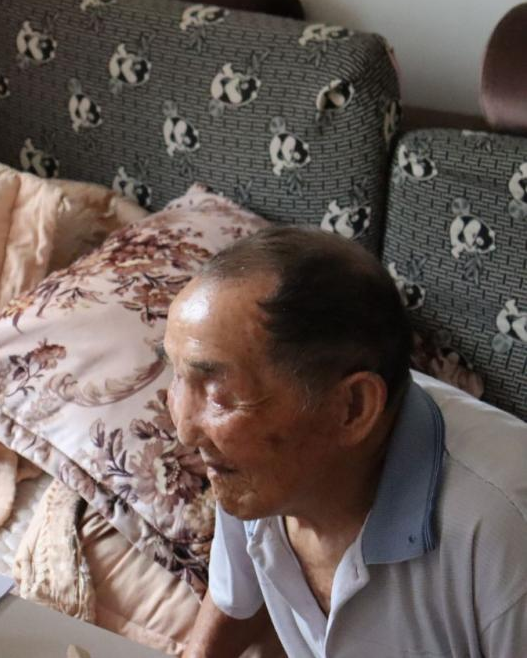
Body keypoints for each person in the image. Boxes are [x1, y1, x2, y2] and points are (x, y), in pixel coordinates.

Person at [161, 227, 527, 658]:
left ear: (352, 407)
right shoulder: (252, 468)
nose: (185, 429)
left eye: (220, 393)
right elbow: (233, 600)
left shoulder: (503, 532)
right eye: (179, 377)